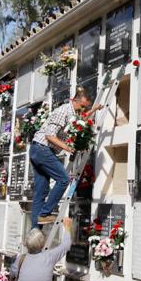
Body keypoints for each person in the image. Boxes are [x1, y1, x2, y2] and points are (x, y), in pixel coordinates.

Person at [29, 88, 94, 229]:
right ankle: (45, 214)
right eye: (82, 106)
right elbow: (49, 136)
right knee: (63, 179)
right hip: (43, 149)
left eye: (85, 107)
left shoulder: (73, 112)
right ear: (73, 100)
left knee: (41, 192)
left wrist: (93, 110)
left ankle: (34, 233)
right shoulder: (63, 111)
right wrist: (67, 147)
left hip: (38, 149)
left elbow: (80, 121)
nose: (83, 109)